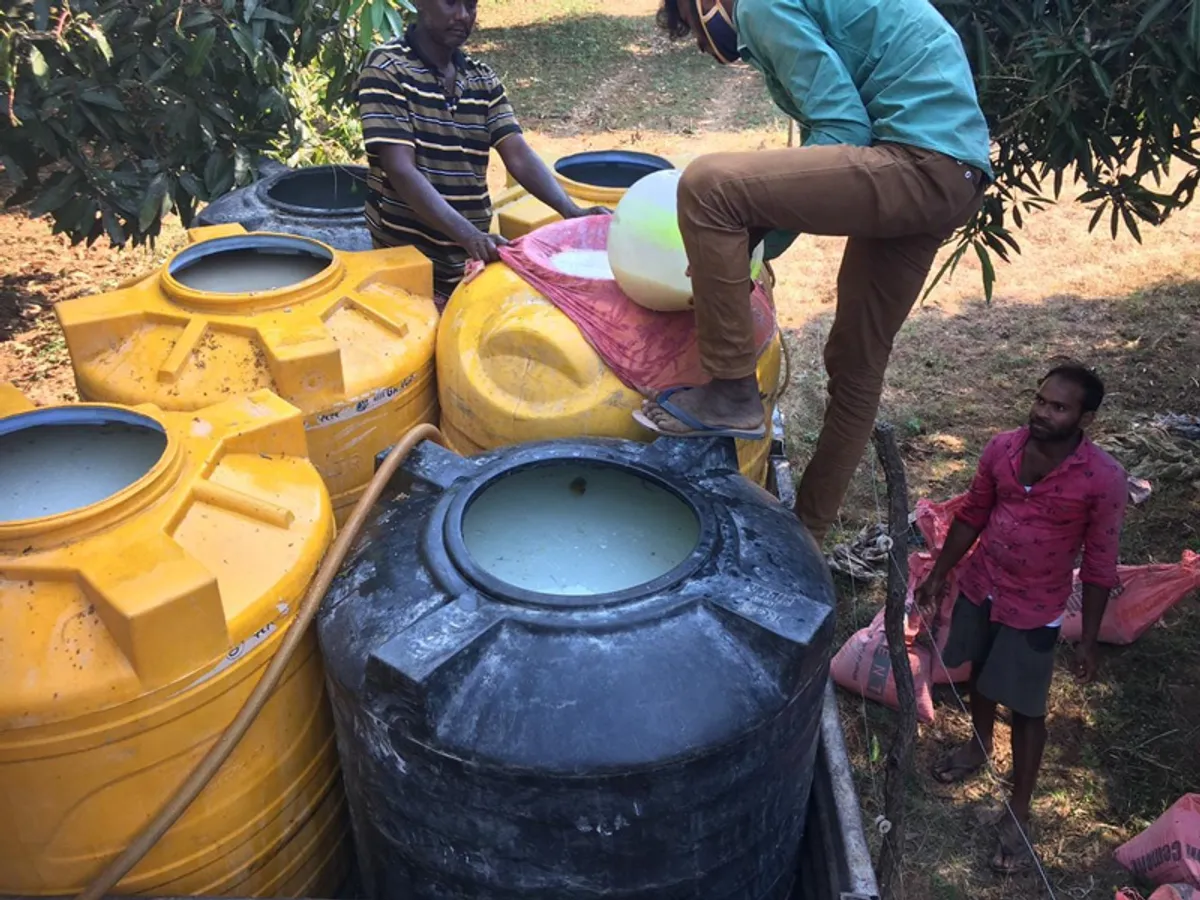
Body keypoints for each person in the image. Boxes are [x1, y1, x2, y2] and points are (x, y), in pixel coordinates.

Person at [643, 0, 992, 545]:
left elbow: (842, 127)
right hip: (956, 174)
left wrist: (754, 232)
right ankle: (805, 535)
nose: (699, 44)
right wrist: (753, 236)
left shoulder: (758, 6)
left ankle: (733, 392)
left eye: (690, 27)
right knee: (856, 365)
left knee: (708, 186)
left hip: (916, 160)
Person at [914, 365, 1127, 874]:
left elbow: (1099, 565)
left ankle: (1019, 808)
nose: (1043, 412)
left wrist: (1089, 640)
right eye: (1040, 400)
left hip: (1036, 606)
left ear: (1086, 418)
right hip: (983, 584)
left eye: (1059, 407)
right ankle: (978, 745)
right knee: (980, 674)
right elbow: (973, 514)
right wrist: (941, 573)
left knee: (1029, 709)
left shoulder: (1103, 479)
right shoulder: (1002, 449)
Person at [358, 0, 607, 303]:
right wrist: (470, 236)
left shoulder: (482, 78)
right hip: (406, 265)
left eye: (471, 5)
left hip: (468, 261)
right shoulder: (387, 68)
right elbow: (400, 169)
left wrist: (571, 212)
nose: (463, 16)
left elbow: (517, 154)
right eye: (450, 3)